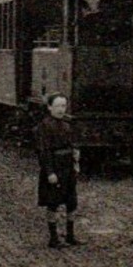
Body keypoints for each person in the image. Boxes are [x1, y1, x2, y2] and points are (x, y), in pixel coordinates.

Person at [37, 94, 80, 248]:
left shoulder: (67, 125)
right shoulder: (45, 126)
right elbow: (44, 151)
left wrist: (75, 160)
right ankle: (53, 238)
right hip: (55, 168)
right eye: (57, 106)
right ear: (49, 107)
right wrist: (49, 172)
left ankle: (70, 235)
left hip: (68, 168)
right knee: (53, 202)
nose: (61, 109)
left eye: (63, 106)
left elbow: (73, 145)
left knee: (72, 202)